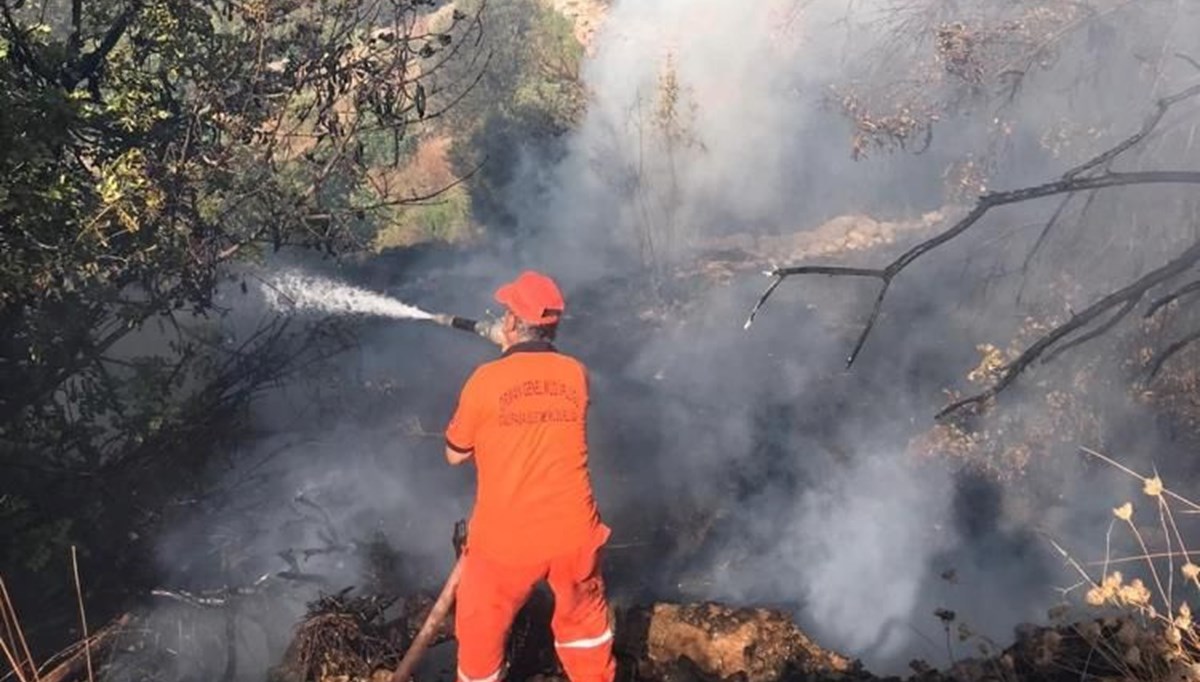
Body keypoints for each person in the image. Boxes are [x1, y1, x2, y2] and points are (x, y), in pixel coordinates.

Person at [444, 271, 616, 682]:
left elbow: (455, 454)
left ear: (508, 323)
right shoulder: (576, 373)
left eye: (504, 313)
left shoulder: (484, 381)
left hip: (506, 541)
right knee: (585, 630)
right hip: (574, 534)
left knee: (480, 627)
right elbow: (540, 393)